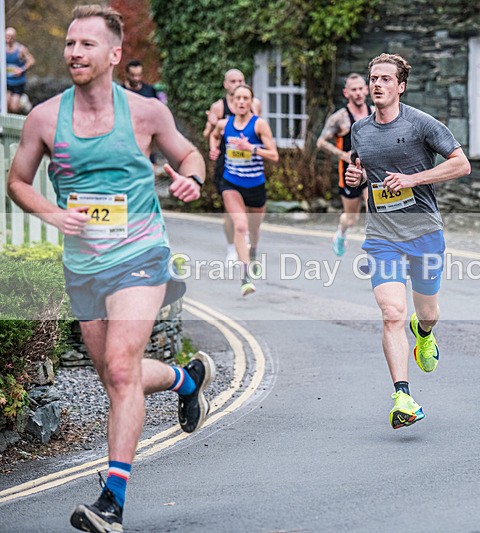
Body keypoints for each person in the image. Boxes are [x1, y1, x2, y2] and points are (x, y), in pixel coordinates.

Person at [6, 6, 215, 532]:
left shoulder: (146, 114)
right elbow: (18, 181)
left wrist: (192, 178)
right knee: (113, 376)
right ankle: (185, 382)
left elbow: (190, 156)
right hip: (84, 267)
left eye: (86, 44)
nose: (74, 51)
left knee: (121, 368)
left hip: (140, 257)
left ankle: (111, 502)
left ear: (115, 54)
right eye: (70, 43)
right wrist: (52, 212)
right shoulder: (44, 118)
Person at [345, 53, 471, 429]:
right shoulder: (360, 130)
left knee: (426, 312)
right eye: (373, 78)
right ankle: (403, 395)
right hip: (382, 235)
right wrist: (355, 180)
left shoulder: (421, 124)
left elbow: (461, 164)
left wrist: (413, 180)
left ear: (400, 86)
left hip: (423, 232)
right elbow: (362, 172)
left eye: (386, 79)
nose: (378, 84)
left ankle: (425, 332)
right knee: (391, 313)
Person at [209, 84, 278, 297]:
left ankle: (254, 251)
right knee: (240, 226)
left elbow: (274, 155)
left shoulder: (259, 125)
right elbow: (214, 134)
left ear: (251, 102)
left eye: (245, 98)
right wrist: (213, 147)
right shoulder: (224, 124)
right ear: (232, 102)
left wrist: (252, 148)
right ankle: (245, 277)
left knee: (254, 230)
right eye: (237, 98)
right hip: (231, 182)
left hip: (255, 184)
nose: (241, 102)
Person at [203, 69, 263, 263]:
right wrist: (213, 128)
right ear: (225, 85)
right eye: (233, 81)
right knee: (231, 212)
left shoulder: (254, 104)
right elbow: (208, 135)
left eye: (241, 80)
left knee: (250, 215)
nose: (237, 83)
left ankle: (246, 240)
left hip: (250, 162)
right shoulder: (219, 107)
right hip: (227, 164)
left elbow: (259, 129)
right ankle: (232, 247)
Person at [316, 73, 372, 256]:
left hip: (371, 172)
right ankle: (341, 233)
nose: (358, 93)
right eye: (353, 90)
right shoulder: (339, 118)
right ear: (346, 92)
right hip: (349, 173)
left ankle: (375, 251)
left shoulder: (375, 112)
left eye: (360, 89)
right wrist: (343, 155)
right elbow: (321, 142)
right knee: (351, 218)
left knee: (375, 210)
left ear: (366, 89)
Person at [5, 27, 35, 114]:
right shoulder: (2, 48)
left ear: (14, 37)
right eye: (6, 36)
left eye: (10, 36)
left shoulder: (20, 49)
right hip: (6, 81)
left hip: (18, 82)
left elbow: (31, 61)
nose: (8, 38)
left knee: (14, 107)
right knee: (5, 105)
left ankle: (23, 102)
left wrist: (21, 69)